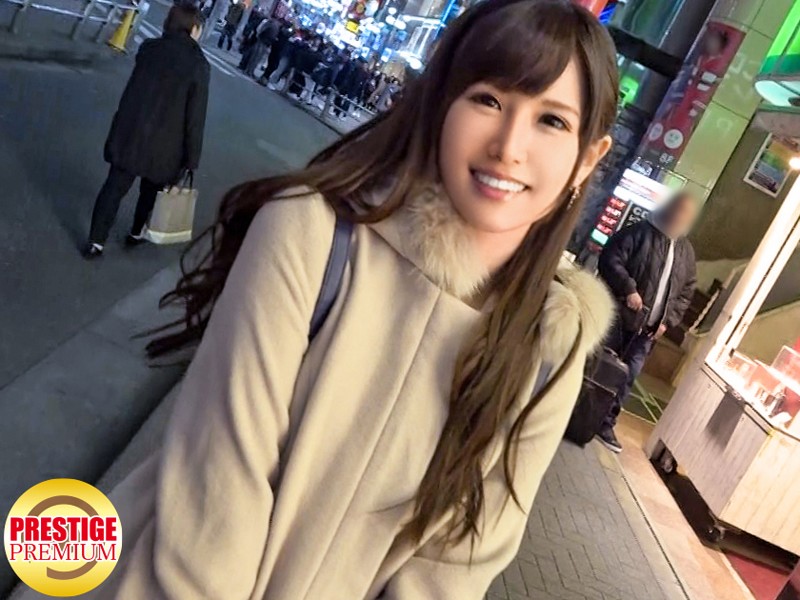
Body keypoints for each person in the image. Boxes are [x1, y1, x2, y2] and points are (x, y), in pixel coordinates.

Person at [64, 1, 619, 596]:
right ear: (440, 105)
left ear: (587, 158)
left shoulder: (551, 349)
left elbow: (454, 568)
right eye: (488, 99)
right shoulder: (311, 233)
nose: (509, 146)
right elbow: (217, 485)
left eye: (552, 121)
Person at [83, 4, 210, 259]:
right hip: (168, 142)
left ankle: (96, 240)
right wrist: (192, 158)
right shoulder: (198, 65)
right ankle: (136, 231)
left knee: (114, 186)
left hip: (133, 128)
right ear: (194, 28)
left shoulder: (150, 48)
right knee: (151, 191)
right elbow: (195, 117)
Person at [596, 191, 699, 453]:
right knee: (600, 366)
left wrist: (668, 321)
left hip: (647, 332)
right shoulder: (639, 233)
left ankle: (605, 423)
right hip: (618, 318)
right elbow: (610, 258)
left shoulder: (685, 251)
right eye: (679, 209)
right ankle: (580, 411)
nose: (680, 216)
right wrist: (629, 289)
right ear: (669, 208)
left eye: (686, 213)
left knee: (627, 377)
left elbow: (686, 292)